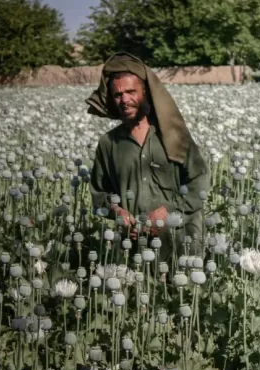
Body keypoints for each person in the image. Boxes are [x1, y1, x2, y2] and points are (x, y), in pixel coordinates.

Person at [86, 52, 210, 263]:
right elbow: (99, 194)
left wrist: (168, 212)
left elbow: (201, 185)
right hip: (133, 249)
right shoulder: (108, 143)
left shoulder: (173, 135)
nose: (125, 100)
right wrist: (117, 212)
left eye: (131, 92)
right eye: (118, 95)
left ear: (145, 91)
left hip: (180, 247)